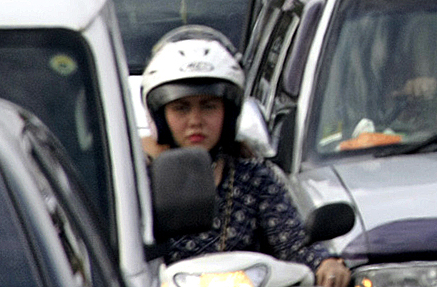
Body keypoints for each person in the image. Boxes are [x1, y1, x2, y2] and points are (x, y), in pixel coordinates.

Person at [141, 26, 351, 287]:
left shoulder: (253, 176)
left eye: (209, 106)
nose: (195, 121)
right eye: (181, 108)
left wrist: (326, 263)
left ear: (229, 114)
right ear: (160, 116)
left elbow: (293, 243)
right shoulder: (139, 182)